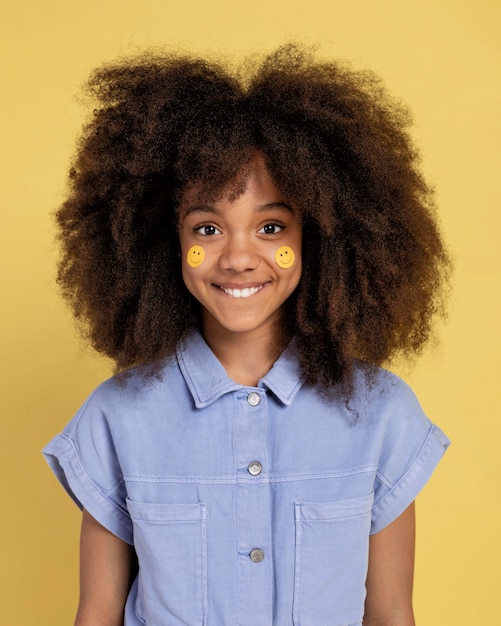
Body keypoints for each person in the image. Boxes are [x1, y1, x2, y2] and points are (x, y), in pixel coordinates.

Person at [43, 44, 451, 626]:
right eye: (207, 227)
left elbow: (391, 615)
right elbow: (96, 615)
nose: (238, 257)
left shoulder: (381, 414)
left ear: (322, 236)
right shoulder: (118, 418)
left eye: (270, 226)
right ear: (166, 242)